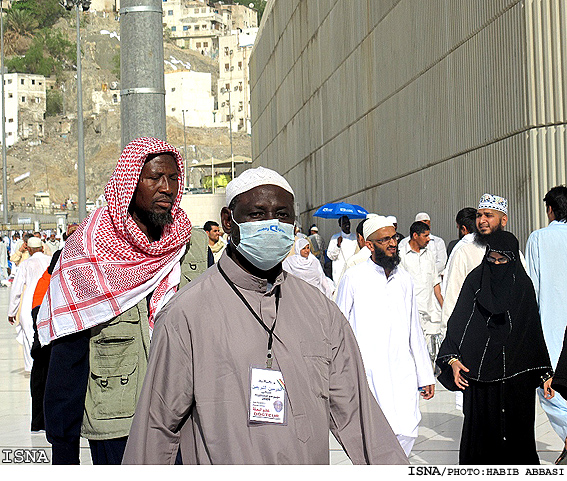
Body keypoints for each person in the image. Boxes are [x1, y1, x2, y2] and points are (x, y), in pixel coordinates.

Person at [122, 166, 408, 465]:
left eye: (282, 215)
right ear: (228, 221)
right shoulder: (187, 314)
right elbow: (157, 427)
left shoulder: (321, 311)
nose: (272, 225)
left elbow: (357, 415)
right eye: (257, 214)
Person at [37, 137, 206, 465]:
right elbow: (69, 354)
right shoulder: (88, 251)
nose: (167, 188)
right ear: (130, 182)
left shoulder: (193, 245)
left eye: (173, 178)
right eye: (154, 178)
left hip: (187, 418)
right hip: (118, 423)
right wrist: (63, 445)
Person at [436, 230, 554, 465]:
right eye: (492, 259)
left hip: (516, 376)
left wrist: (544, 373)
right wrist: (453, 360)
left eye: (503, 260)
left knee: (517, 439)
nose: (497, 265)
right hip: (478, 374)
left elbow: (531, 331)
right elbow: (459, 322)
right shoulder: (475, 281)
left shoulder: (522, 285)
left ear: (512, 260)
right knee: (480, 441)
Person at [336, 215, 435, 457]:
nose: (392, 243)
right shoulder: (354, 277)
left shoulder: (404, 278)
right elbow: (338, 328)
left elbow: (415, 330)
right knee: (378, 434)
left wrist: (425, 373)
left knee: (408, 428)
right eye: (385, 240)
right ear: (369, 244)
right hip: (369, 371)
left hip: (403, 370)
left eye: (394, 237)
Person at [525, 185, 567, 464]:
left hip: (551, 329)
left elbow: (533, 289)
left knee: (550, 390)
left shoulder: (539, 238)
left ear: (550, 210)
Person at [441, 194, 509, 337]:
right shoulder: (465, 252)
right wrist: (448, 341)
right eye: (479, 215)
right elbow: (452, 299)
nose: (482, 220)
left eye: (488, 215)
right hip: (474, 337)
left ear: (504, 220)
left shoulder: (515, 255)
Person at [399, 221, 443, 362]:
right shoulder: (401, 256)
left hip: (429, 312)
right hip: (411, 311)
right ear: (415, 236)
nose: (429, 239)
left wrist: (444, 305)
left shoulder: (429, 255)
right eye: (425, 236)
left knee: (429, 352)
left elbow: (435, 282)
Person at [8, 237, 52, 374]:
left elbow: (16, 290)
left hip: (29, 302)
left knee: (29, 335)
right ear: (42, 248)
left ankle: (31, 368)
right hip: (48, 299)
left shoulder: (25, 264)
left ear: (30, 250)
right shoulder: (50, 261)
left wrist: (12, 312)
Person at [326, 215, 357, 283]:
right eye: (344, 223)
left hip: (352, 270)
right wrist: (338, 245)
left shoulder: (355, 238)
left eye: (348, 222)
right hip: (339, 272)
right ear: (340, 225)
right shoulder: (335, 238)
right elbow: (331, 256)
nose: (347, 225)